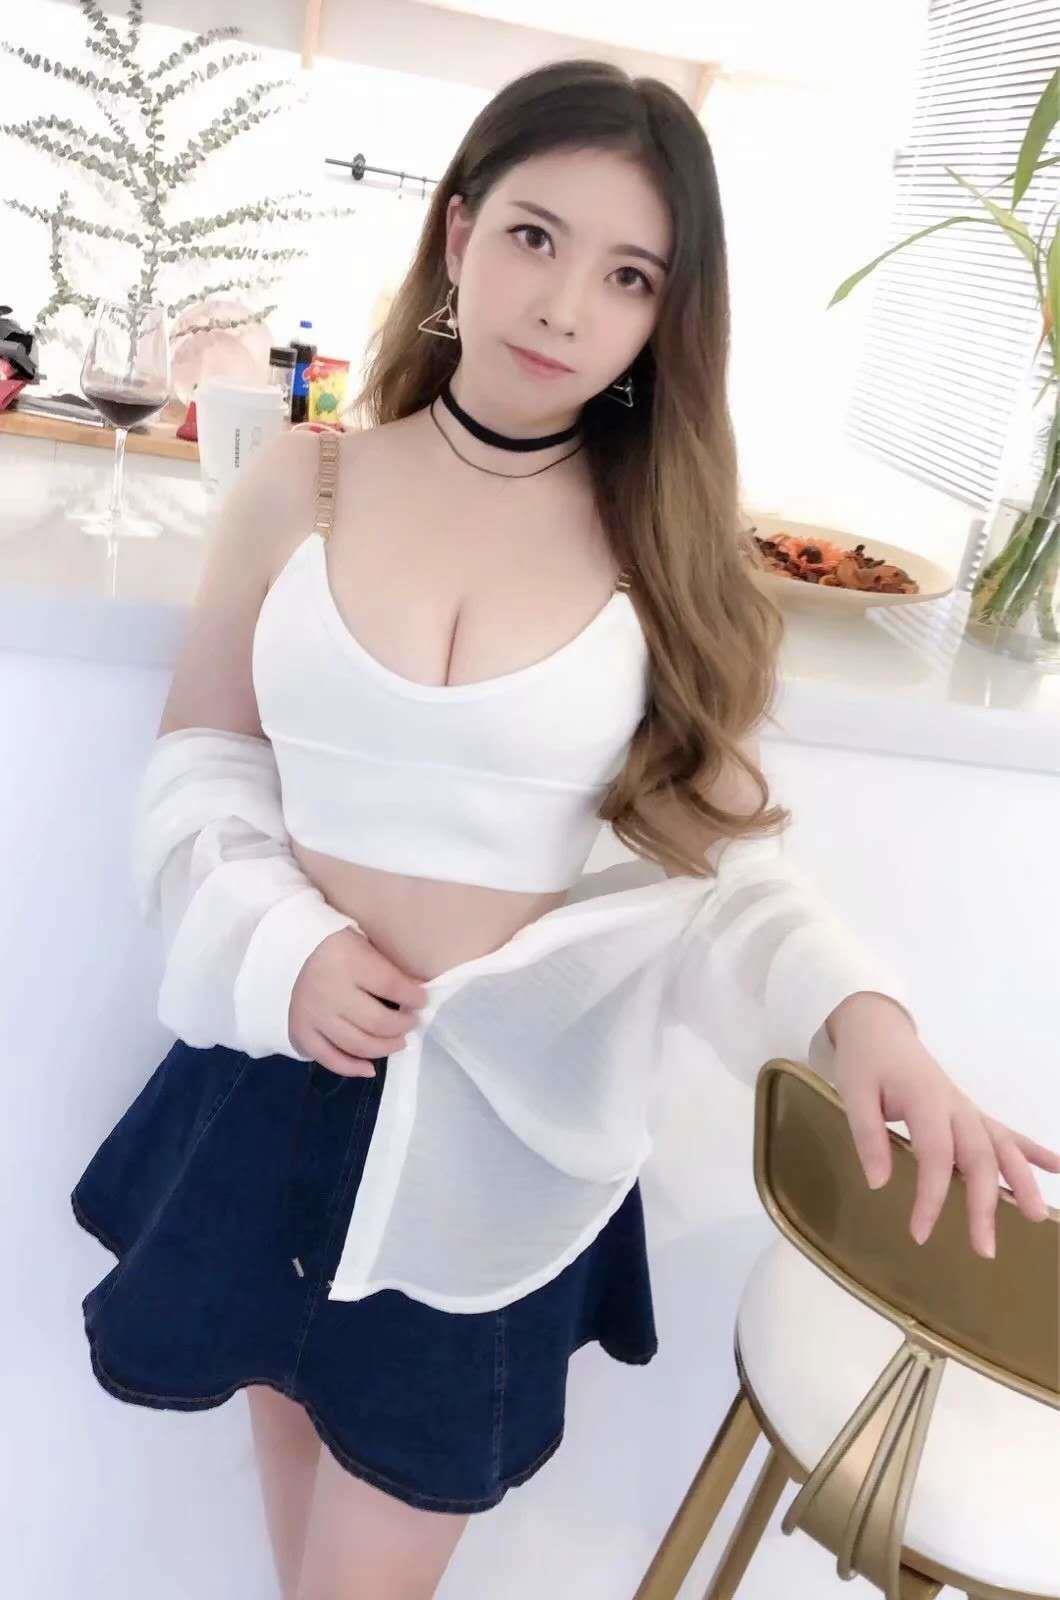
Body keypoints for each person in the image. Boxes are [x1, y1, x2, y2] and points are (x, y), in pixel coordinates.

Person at [70, 58, 1059, 1600]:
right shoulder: (301, 485)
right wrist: (284, 949)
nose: (564, 305)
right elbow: (200, 768)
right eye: (536, 236)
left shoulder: (664, 550)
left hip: (490, 1146)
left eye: (629, 274)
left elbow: (717, 869)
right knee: (293, 1511)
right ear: (460, 233)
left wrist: (864, 1017)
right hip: (270, 1089)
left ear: (668, 316)